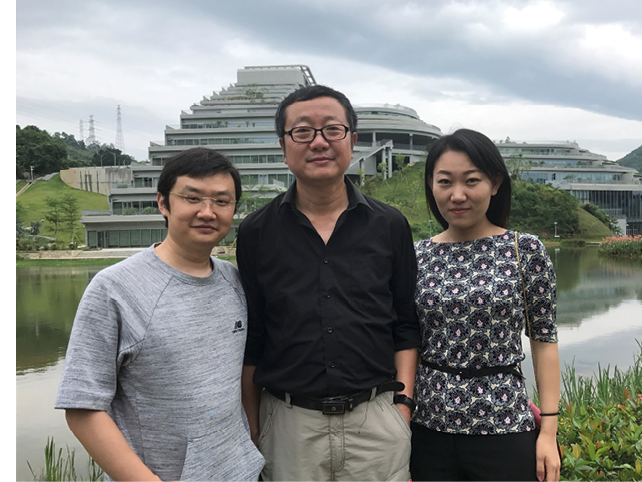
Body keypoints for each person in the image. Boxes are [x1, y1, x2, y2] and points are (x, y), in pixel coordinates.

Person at [237, 85, 420, 482]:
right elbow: (254, 336)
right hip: (288, 426)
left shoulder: (390, 225)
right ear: (284, 147)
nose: (318, 142)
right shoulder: (256, 232)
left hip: (375, 422)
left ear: (352, 141)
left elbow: (405, 324)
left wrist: (402, 405)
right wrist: (253, 422)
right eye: (302, 131)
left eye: (331, 130)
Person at [55, 147, 264, 482]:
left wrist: (252, 436)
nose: (207, 212)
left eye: (222, 201)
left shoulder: (234, 281)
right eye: (192, 198)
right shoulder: (114, 288)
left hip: (241, 472)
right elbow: (83, 408)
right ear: (163, 203)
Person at [410, 129, 561, 482]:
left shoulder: (525, 251)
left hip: (503, 421)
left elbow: (544, 341)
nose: (457, 194)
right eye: (444, 181)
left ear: (494, 184)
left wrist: (549, 433)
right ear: (432, 185)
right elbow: (406, 341)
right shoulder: (417, 255)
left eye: (471, 181)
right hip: (429, 426)